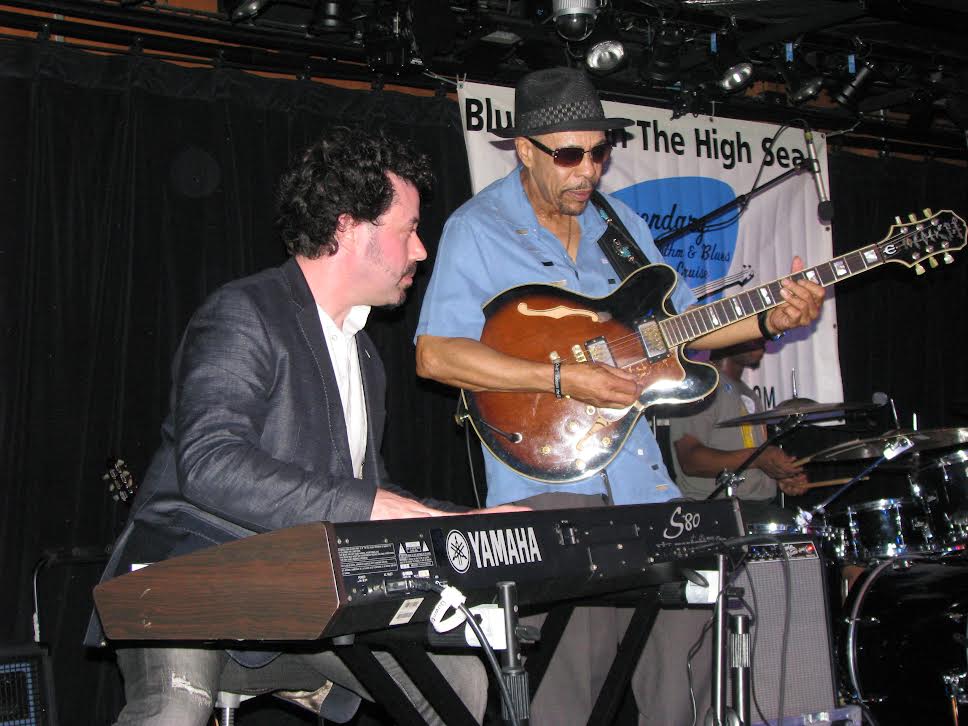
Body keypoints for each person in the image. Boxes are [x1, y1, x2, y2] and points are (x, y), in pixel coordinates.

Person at [414, 67, 825, 725]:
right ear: (524, 150)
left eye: (599, 153)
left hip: (645, 485)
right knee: (570, 689)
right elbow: (435, 355)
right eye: (569, 156)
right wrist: (560, 379)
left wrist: (773, 318)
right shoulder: (478, 227)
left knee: (680, 685)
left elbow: (688, 325)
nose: (588, 171)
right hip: (551, 482)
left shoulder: (621, 223)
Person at [86, 126, 522, 726]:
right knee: (174, 709)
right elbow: (212, 464)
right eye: (408, 230)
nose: (421, 251)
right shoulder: (244, 311)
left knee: (457, 677)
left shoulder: (364, 356)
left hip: (295, 593)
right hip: (187, 576)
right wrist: (378, 507)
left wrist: (461, 522)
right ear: (349, 228)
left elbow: (370, 493)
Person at [670, 339, 810, 520]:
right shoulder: (702, 387)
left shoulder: (748, 394)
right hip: (716, 512)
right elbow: (690, 461)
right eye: (751, 334)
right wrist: (760, 458)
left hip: (756, 508)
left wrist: (777, 476)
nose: (760, 340)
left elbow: (748, 459)